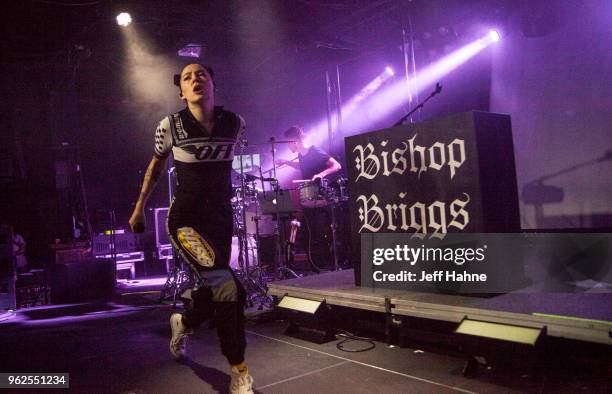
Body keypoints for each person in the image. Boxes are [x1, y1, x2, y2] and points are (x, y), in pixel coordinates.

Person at [128, 63, 253, 394]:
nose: (195, 79)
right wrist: (139, 207)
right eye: (187, 77)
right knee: (228, 289)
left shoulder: (235, 123)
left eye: (202, 75)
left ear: (214, 84)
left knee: (216, 289)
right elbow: (155, 167)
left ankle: (183, 322)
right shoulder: (170, 126)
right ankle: (239, 371)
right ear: (181, 92)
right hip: (186, 222)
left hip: (220, 221)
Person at [275, 126, 341, 180]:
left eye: (288, 143)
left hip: (325, 192)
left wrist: (321, 175)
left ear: (294, 142)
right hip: (313, 192)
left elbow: (337, 165)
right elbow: (302, 166)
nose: (288, 146)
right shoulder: (301, 154)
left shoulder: (314, 150)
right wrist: (286, 162)